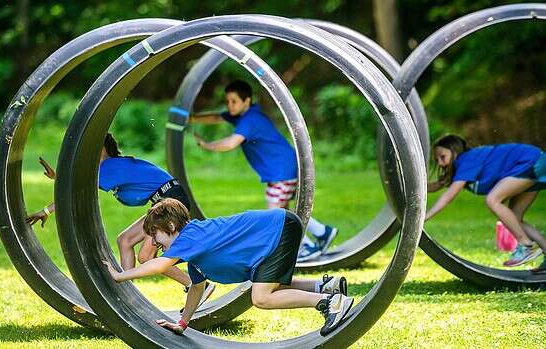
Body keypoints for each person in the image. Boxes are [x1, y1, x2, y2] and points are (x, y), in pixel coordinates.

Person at [103, 198, 354, 336]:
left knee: (262, 298)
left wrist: (121, 275)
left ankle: (330, 303)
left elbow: (158, 265)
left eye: (155, 235)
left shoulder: (190, 236)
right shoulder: (196, 256)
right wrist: (182, 323)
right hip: (272, 237)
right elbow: (196, 289)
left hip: (276, 230)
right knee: (266, 286)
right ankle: (326, 286)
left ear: (170, 228)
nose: (155, 244)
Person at [26, 133, 216, 303]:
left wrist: (46, 210)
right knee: (125, 240)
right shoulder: (111, 167)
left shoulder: (109, 167)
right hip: (163, 201)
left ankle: (198, 285)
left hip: (170, 201)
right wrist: (58, 178)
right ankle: (127, 294)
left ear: (99, 148)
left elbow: (76, 191)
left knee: (146, 257)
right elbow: (79, 184)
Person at [189, 79, 337, 262]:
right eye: (227, 101)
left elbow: (231, 143)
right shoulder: (244, 115)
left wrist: (207, 145)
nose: (229, 105)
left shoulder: (250, 120)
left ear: (247, 101)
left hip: (282, 170)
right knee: (283, 210)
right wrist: (192, 118)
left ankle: (306, 246)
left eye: (234, 101)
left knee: (275, 212)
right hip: (284, 167)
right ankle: (322, 232)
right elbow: (218, 117)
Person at [426, 134, 546, 273]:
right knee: (514, 217)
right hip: (536, 161)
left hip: (529, 160)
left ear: (455, 151)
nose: (440, 163)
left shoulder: (466, 160)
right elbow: (435, 186)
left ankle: (526, 246)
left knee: (492, 200)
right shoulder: (464, 166)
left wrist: (425, 216)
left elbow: (449, 196)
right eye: (437, 159)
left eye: (443, 157)